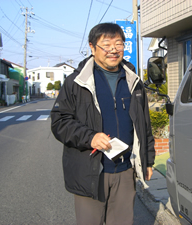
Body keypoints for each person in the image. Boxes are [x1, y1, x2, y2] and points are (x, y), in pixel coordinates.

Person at [51, 23, 155, 225]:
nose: (113, 49)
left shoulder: (134, 82)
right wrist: (90, 137)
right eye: (106, 44)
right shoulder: (76, 82)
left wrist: (148, 160)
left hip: (125, 171)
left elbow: (144, 125)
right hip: (90, 172)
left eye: (118, 43)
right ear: (92, 47)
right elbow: (59, 122)